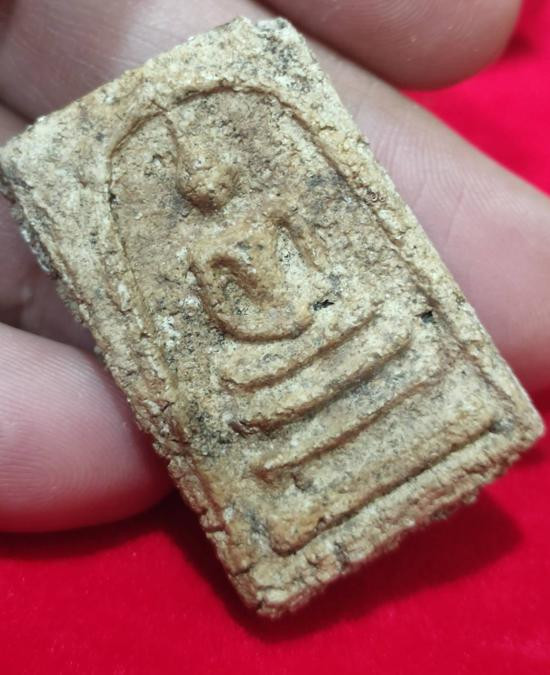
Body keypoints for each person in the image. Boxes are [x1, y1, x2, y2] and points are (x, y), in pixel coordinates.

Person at [0, 0, 548, 532]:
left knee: (380, 323)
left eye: (212, 172)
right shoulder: (202, 249)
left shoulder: (271, 210)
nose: (208, 185)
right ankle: (300, 493)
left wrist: (314, 301)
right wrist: (262, 329)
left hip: (317, 312)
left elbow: (318, 261)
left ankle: (439, 419)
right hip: (264, 340)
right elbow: (221, 308)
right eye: (196, 179)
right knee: (241, 385)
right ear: (188, 190)